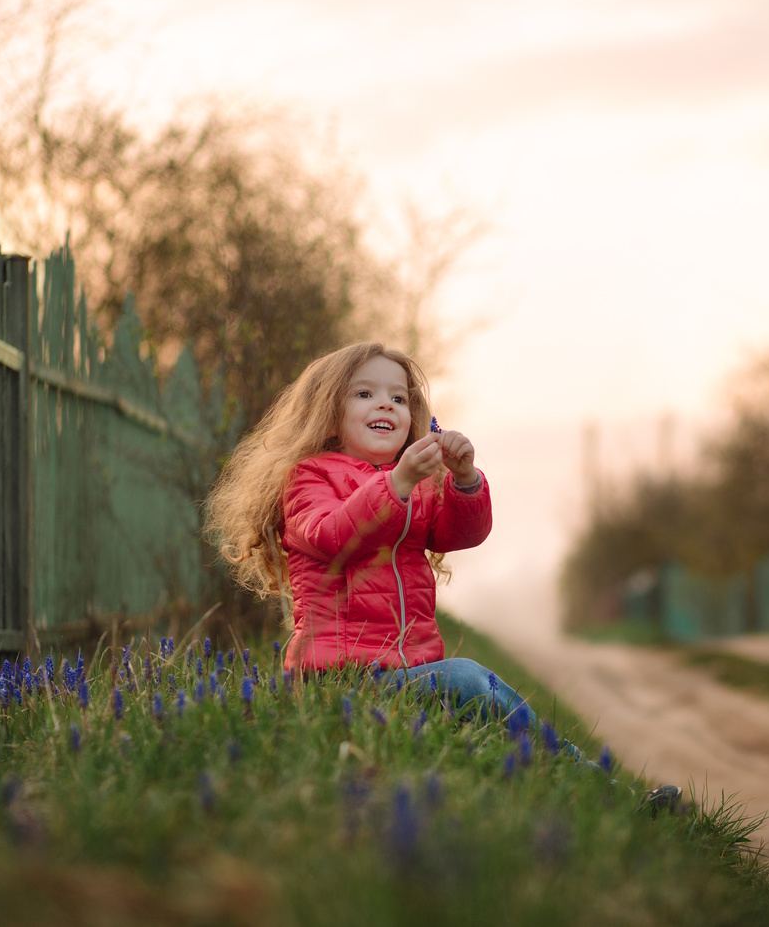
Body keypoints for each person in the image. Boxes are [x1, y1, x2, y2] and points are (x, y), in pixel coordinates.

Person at [205, 341, 680, 813]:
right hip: (340, 680)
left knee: (484, 694)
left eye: (399, 397)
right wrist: (398, 483)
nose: (386, 404)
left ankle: (599, 792)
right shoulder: (310, 479)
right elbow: (334, 536)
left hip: (408, 673)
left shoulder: (410, 480)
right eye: (365, 394)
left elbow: (461, 533)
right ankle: (601, 793)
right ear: (328, 413)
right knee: (470, 679)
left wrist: (464, 478)